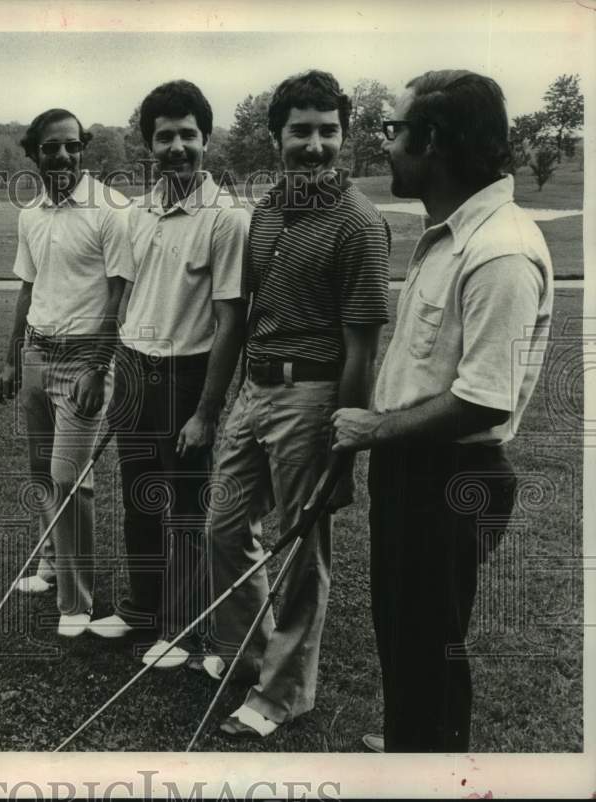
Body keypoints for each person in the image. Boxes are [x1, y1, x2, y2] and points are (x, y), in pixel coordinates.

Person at [332, 70, 553, 752]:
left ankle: (426, 759)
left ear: (434, 141)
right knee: (404, 634)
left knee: (429, 641)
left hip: (450, 479)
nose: (387, 144)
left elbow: (483, 397)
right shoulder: (449, 235)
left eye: (395, 130)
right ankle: (411, 741)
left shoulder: (499, 252)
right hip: (413, 471)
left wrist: (373, 427)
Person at [204, 70, 391, 740]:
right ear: (276, 136)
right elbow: (252, 312)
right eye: (301, 131)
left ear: (344, 134)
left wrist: (345, 443)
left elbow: (362, 349)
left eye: (328, 131)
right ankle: (251, 656)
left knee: (298, 550)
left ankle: (282, 694)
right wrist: (229, 399)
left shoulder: (359, 224)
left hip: (313, 396)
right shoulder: (266, 210)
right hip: (255, 390)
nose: (315, 145)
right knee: (223, 528)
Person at [88, 80, 248, 667]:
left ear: (206, 139)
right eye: (164, 137)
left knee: (184, 503)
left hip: (187, 372)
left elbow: (231, 321)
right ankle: (142, 607)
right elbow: (125, 297)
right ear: (148, 145)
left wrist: (208, 412)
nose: (177, 146)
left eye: (188, 135)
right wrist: (113, 370)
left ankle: (181, 627)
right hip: (135, 366)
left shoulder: (227, 219)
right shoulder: (140, 212)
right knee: (138, 497)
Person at [0, 108, 135, 637]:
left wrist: (101, 368)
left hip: (84, 361)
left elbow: (119, 295)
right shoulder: (30, 214)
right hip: (36, 353)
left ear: (84, 149)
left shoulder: (111, 210)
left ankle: (77, 604)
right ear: (34, 153)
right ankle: (51, 566)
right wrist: (12, 357)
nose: (63, 156)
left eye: (72, 146)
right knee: (41, 472)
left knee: (70, 479)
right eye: (51, 147)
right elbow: (27, 289)